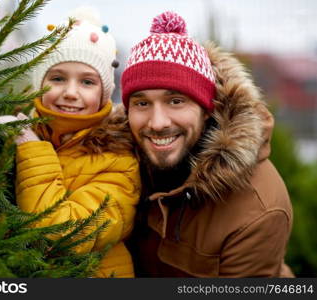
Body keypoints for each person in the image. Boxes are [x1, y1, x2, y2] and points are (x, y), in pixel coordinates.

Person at [121, 11, 293, 277]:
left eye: (176, 101)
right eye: (142, 103)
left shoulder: (258, 209)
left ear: (207, 109)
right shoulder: (115, 159)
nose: (157, 123)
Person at [0, 7, 140, 278]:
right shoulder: (23, 132)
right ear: (41, 82)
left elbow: (63, 233)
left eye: (86, 82)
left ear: (104, 92)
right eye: (58, 78)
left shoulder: (119, 159)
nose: (70, 93)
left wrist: (31, 149)